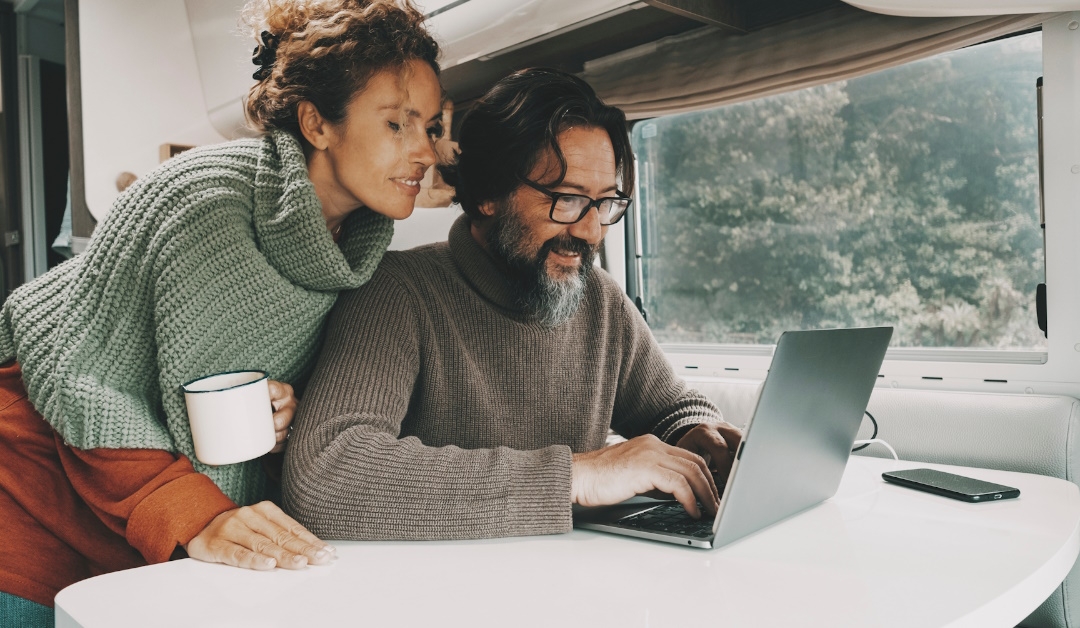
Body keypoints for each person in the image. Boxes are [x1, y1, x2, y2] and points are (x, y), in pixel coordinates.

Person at [0, 0, 444, 623]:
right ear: (317, 124)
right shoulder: (203, 201)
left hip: (133, 538)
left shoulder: (358, 251)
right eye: (399, 124)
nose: (426, 151)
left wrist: (287, 408)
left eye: (431, 126)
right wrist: (196, 517)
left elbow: (213, 378)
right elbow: (86, 382)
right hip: (30, 512)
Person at [283, 68, 743, 541]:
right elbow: (325, 475)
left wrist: (697, 430)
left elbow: (669, 407)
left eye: (605, 203)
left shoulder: (600, 299)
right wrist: (575, 477)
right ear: (488, 194)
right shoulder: (397, 293)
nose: (590, 232)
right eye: (566, 200)